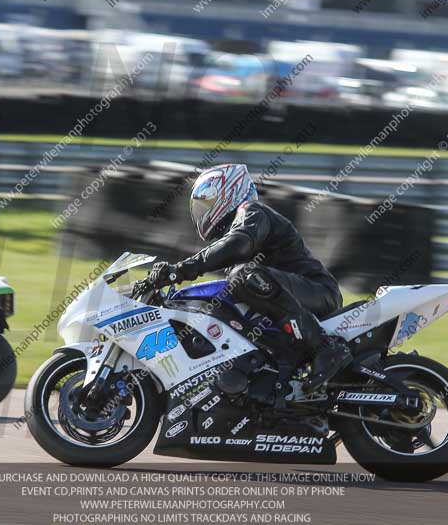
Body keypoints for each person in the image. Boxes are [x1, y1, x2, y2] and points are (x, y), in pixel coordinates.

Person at [146, 164, 351, 390]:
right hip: (292, 295)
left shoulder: (252, 211)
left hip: (318, 291)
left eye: (207, 201)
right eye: (201, 205)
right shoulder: (236, 229)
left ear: (229, 191)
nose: (203, 209)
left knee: (242, 276)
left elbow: (239, 243)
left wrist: (181, 269)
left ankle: (325, 347)